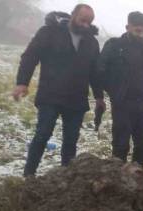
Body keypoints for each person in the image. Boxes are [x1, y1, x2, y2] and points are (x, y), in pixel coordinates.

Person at [13, 4, 105, 176]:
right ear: (72, 16)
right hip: (50, 95)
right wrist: (22, 82)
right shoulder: (49, 32)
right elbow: (30, 56)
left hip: (77, 100)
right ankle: (29, 175)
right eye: (82, 20)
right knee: (42, 134)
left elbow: (94, 72)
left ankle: (66, 178)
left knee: (71, 141)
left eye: (89, 22)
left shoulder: (91, 42)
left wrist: (99, 97)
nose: (86, 25)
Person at [97, 11, 143, 166]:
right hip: (123, 103)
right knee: (121, 143)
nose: (141, 35)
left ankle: (137, 174)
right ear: (127, 27)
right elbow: (100, 70)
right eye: (138, 31)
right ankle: (117, 178)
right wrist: (113, 91)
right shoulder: (114, 46)